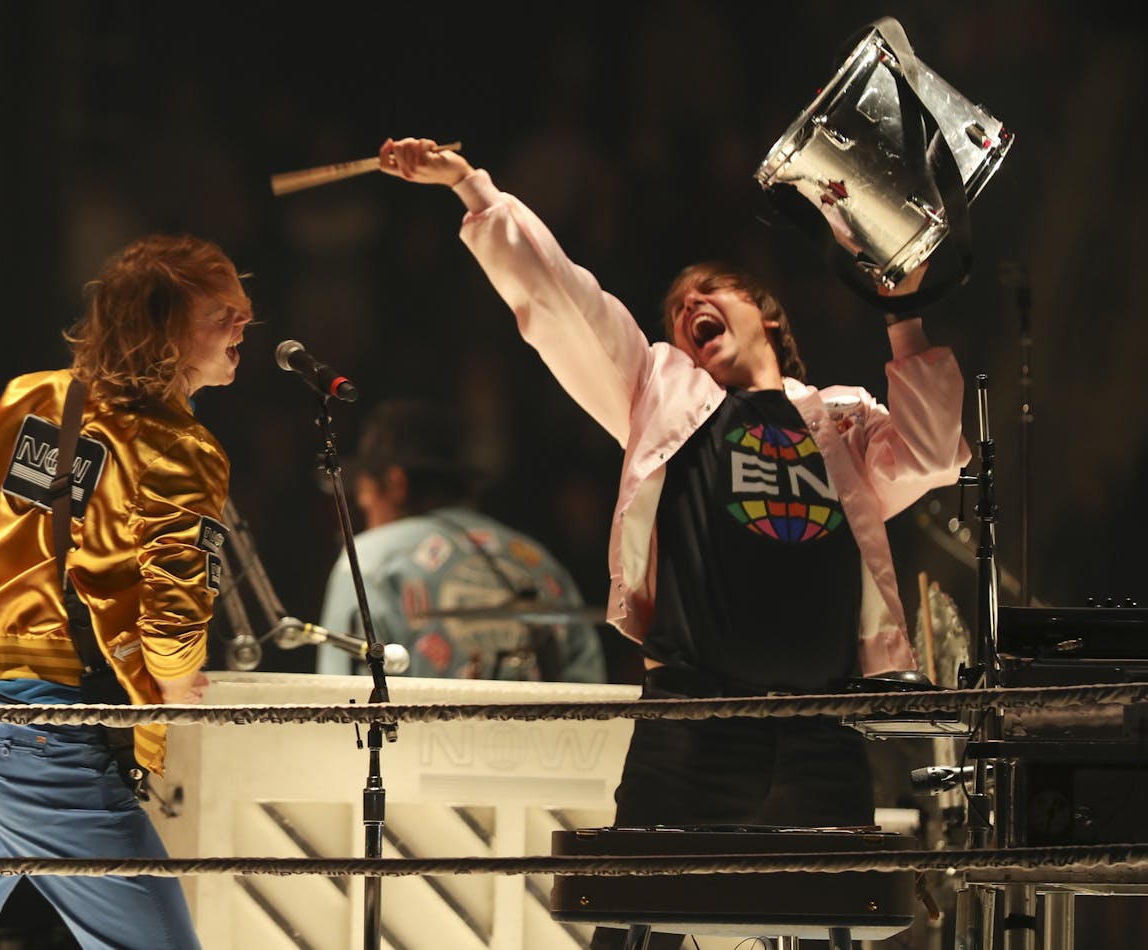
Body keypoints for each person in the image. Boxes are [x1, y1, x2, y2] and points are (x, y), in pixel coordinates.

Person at [377, 136, 969, 948]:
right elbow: (563, 305)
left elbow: (935, 454)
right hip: (695, 722)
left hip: (820, 728)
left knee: (828, 930)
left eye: (710, 290)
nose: (689, 305)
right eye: (678, 310)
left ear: (767, 313)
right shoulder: (663, 397)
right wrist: (475, 192)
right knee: (634, 928)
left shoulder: (839, 420)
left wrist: (903, 313)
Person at [0, 233, 253, 950]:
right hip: (45, 729)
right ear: (162, 332)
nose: (243, 325)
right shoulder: (178, 445)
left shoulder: (34, 396)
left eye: (243, 310)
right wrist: (174, 684)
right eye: (222, 314)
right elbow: (178, 598)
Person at [316, 398, 606, 682]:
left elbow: (342, 699)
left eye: (364, 497)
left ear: (395, 484)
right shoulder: (537, 559)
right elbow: (591, 695)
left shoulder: (367, 560)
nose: (364, 513)